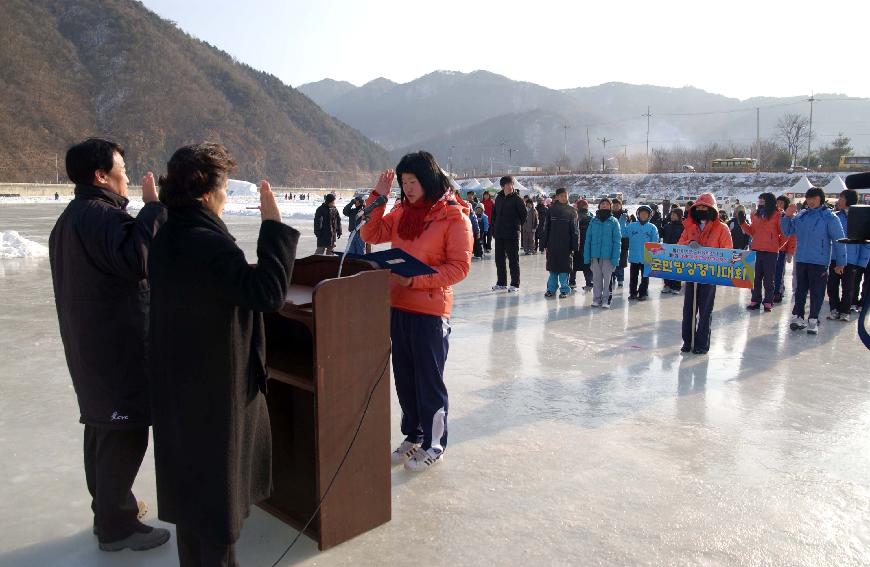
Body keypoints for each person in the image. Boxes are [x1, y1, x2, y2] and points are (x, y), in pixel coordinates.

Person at [148, 144, 298, 565]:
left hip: (183, 386)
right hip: (214, 393)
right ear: (205, 192)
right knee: (216, 505)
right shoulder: (207, 244)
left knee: (194, 501)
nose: (226, 197)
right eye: (225, 188)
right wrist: (273, 227)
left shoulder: (169, 236)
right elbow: (267, 292)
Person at [49, 138, 170, 552]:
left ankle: (109, 510)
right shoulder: (100, 216)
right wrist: (154, 210)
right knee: (125, 430)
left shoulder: (71, 218)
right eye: (122, 169)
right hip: (115, 348)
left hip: (90, 347)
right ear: (101, 175)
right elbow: (139, 260)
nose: (127, 178)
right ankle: (117, 524)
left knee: (103, 428)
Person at [361, 152, 472, 471]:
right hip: (399, 305)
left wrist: (415, 280)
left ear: (429, 179)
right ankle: (413, 435)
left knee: (429, 380)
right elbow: (370, 234)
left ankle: (434, 443)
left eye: (414, 181)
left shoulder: (453, 217)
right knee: (405, 378)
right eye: (403, 182)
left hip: (431, 310)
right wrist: (378, 197)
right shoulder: (401, 212)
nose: (408, 188)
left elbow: (459, 267)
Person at [781, 186, 847, 335]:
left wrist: (841, 262)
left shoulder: (829, 217)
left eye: (814, 198)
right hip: (803, 259)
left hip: (819, 261)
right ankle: (798, 316)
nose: (810, 201)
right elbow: (787, 231)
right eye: (808, 198)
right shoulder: (802, 215)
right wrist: (787, 216)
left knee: (817, 292)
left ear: (821, 199)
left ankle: (813, 319)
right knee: (800, 290)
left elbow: (839, 240)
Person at [678, 193, 733, 355]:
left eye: (705, 208)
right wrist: (689, 243)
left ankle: (701, 343)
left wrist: (711, 255)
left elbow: (727, 251)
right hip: (691, 274)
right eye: (699, 208)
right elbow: (679, 245)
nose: (701, 210)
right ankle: (688, 341)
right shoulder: (690, 227)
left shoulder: (721, 228)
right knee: (689, 309)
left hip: (710, 275)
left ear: (712, 210)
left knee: (705, 310)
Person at [827, 189, 870, 322]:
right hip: (834, 257)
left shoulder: (860, 218)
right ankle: (834, 309)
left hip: (852, 258)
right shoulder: (835, 216)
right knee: (832, 285)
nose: (838, 201)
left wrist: (862, 261)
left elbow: (866, 241)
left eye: (841, 198)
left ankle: (845, 311)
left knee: (848, 287)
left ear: (848, 200)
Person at [741, 193, 784, 312]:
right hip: (756, 249)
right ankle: (755, 300)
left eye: (762, 201)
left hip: (771, 252)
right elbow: (752, 232)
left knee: (769, 278)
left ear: (769, 201)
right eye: (759, 200)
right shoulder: (756, 214)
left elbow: (784, 233)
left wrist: (777, 245)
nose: (760, 203)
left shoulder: (777, 215)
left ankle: (768, 301)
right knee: (755, 277)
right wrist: (742, 223)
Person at [584, 198, 622, 308]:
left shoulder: (614, 221)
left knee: (607, 280)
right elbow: (588, 239)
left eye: (607, 204)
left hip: (608, 257)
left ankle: (606, 300)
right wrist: (587, 257)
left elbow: (617, 242)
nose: (604, 205)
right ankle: (596, 299)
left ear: (610, 207)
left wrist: (615, 258)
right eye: (603, 204)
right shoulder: (593, 221)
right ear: (599, 206)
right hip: (595, 257)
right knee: (596, 280)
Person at [491, 175, 527, 291]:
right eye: (507, 184)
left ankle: (515, 284)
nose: (510, 186)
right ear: (502, 186)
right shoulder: (499, 198)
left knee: (513, 259)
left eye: (511, 184)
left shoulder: (517, 199)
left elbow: (523, 215)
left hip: (512, 234)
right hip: (499, 234)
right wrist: (494, 229)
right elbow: (494, 215)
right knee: (499, 259)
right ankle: (501, 282)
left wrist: (515, 226)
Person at [542, 188, 579, 298]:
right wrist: (543, 243)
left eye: (565, 195)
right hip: (552, 245)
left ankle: (564, 289)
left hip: (566, 246)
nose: (564, 198)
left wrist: (574, 246)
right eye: (561, 196)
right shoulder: (551, 210)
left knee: (564, 269)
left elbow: (575, 230)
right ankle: (551, 289)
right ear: (557, 197)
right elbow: (546, 227)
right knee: (553, 269)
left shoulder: (572, 211)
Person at [625, 205, 659, 301]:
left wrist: (652, 257)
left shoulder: (652, 227)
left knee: (645, 277)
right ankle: (633, 293)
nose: (643, 215)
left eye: (646, 214)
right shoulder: (632, 226)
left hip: (646, 257)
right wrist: (623, 221)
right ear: (638, 215)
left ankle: (643, 293)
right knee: (633, 277)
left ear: (649, 216)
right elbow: (623, 233)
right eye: (641, 213)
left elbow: (655, 243)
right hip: (634, 257)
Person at [773, 195, 796, 303]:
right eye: (778, 203)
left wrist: (790, 251)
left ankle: (778, 291)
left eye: (781, 203)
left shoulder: (789, 217)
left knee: (779, 272)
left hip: (782, 249)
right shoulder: (773, 215)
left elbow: (792, 236)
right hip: (772, 248)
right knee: (772, 273)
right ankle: (773, 291)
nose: (779, 205)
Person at [569, 198, 593, 290]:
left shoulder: (575, 217)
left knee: (573, 264)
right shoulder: (591, 217)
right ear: (586, 206)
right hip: (586, 245)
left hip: (575, 244)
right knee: (586, 265)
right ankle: (589, 282)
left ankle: (572, 282)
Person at [660, 207, 684, 294]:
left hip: (678, 251)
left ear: (679, 216)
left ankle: (676, 286)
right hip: (666, 250)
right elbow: (661, 235)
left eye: (674, 215)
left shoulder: (683, 227)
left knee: (677, 268)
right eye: (671, 214)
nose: (672, 216)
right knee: (666, 268)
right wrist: (659, 226)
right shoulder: (667, 226)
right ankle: (667, 285)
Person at [611, 199, 629, 288]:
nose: (615, 207)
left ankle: (620, 279)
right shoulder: (609, 215)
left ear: (620, 205)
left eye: (617, 205)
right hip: (611, 242)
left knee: (621, 262)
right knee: (612, 261)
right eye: (614, 205)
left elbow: (629, 228)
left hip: (623, 242)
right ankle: (612, 277)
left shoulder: (625, 216)